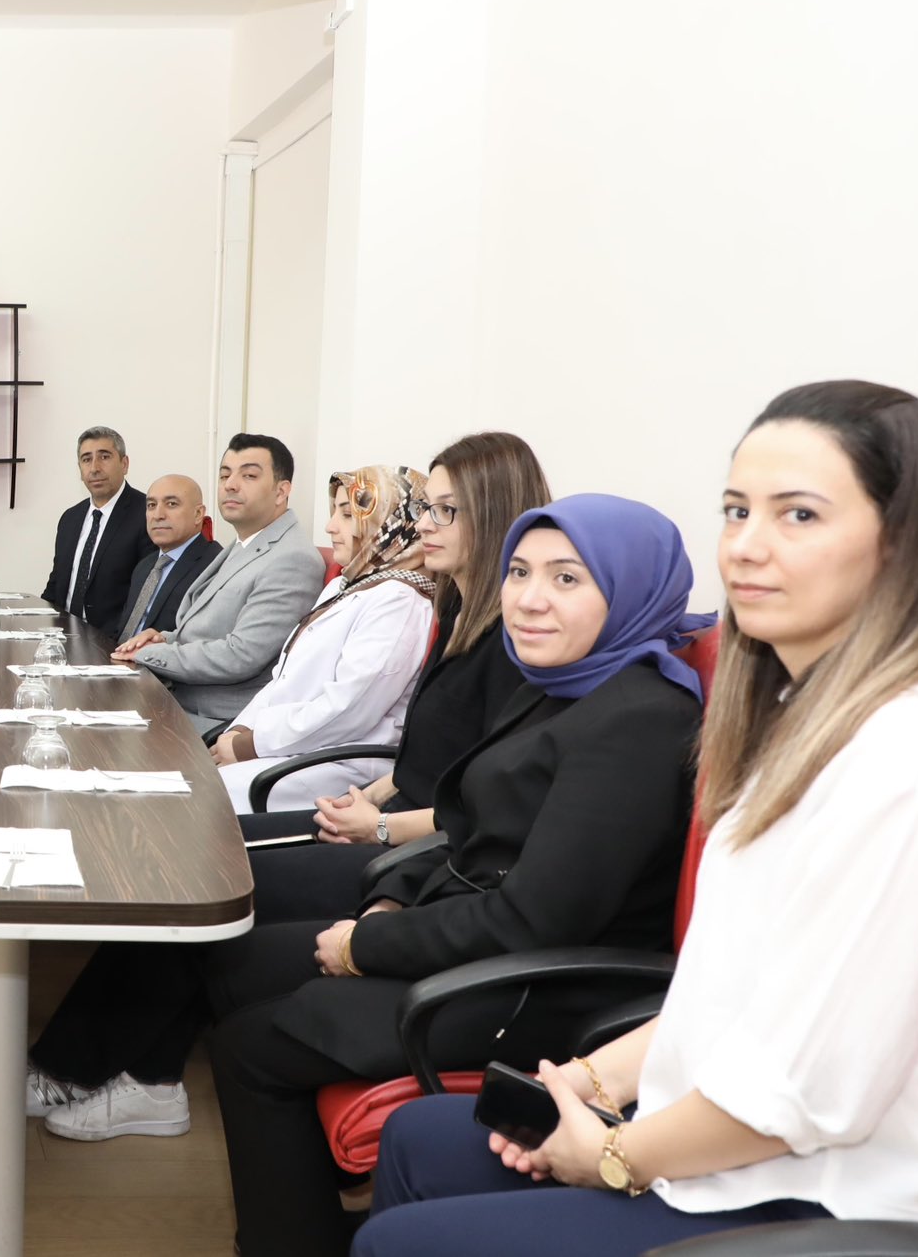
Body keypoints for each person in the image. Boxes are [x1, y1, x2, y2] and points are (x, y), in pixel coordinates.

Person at [355, 381, 918, 1256]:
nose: (746, 546)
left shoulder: (911, 757)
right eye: (736, 510)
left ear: (906, 541)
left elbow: (802, 1098)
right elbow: (734, 992)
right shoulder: (800, 715)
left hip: (838, 1197)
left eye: (799, 515)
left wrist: (614, 1154)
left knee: (399, 1242)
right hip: (732, 1133)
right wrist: (591, 1079)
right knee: (420, 1139)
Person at [207, 494, 709, 1257]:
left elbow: (535, 919)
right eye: (519, 572)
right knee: (237, 962)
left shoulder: (638, 720)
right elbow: (465, 826)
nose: (529, 599)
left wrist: (368, 947)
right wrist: (387, 902)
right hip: (482, 939)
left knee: (250, 1050)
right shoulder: (563, 682)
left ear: (631, 589)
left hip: (542, 989)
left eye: (566, 578)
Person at [238, 432, 552, 923]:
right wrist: (367, 800)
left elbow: (484, 810)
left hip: (428, 852)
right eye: (425, 507)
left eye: (444, 511)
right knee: (220, 844)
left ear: (493, 516)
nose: (423, 524)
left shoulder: (514, 644)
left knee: (228, 880)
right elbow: (428, 763)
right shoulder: (455, 610)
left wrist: (379, 826)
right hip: (394, 815)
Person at [211, 466, 438, 813]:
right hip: (291, 746)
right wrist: (240, 730)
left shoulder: (400, 601)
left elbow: (348, 710)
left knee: (205, 801)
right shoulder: (345, 585)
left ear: (389, 524)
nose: (331, 526)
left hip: (336, 762)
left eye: (347, 515)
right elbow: (283, 678)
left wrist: (249, 745)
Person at [114, 433, 325, 730]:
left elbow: (241, 655)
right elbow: (207, 632)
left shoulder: (292, 558)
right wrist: (164, 638)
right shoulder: (245, 543)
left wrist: (150, 653)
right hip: (178, 702)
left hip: (218, 722)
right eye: (225, 475)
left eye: (248, 475)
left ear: (281, 491)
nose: (230, 485)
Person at [40, 426, 157, 639]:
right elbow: (56, 585)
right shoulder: (70, 518)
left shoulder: (147, 515)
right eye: (86, 459)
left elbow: (147, 595)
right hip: (63, 636)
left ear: (124, 464)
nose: (94, 468)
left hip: (112, 641)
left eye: (104, 457)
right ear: (80, 469)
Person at [117, 473, 222, 638]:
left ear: (198, 514)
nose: (158, 515)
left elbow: (205, 640)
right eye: (151, 505)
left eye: (171, 504)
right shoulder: (144, 566)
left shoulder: (215, 566)